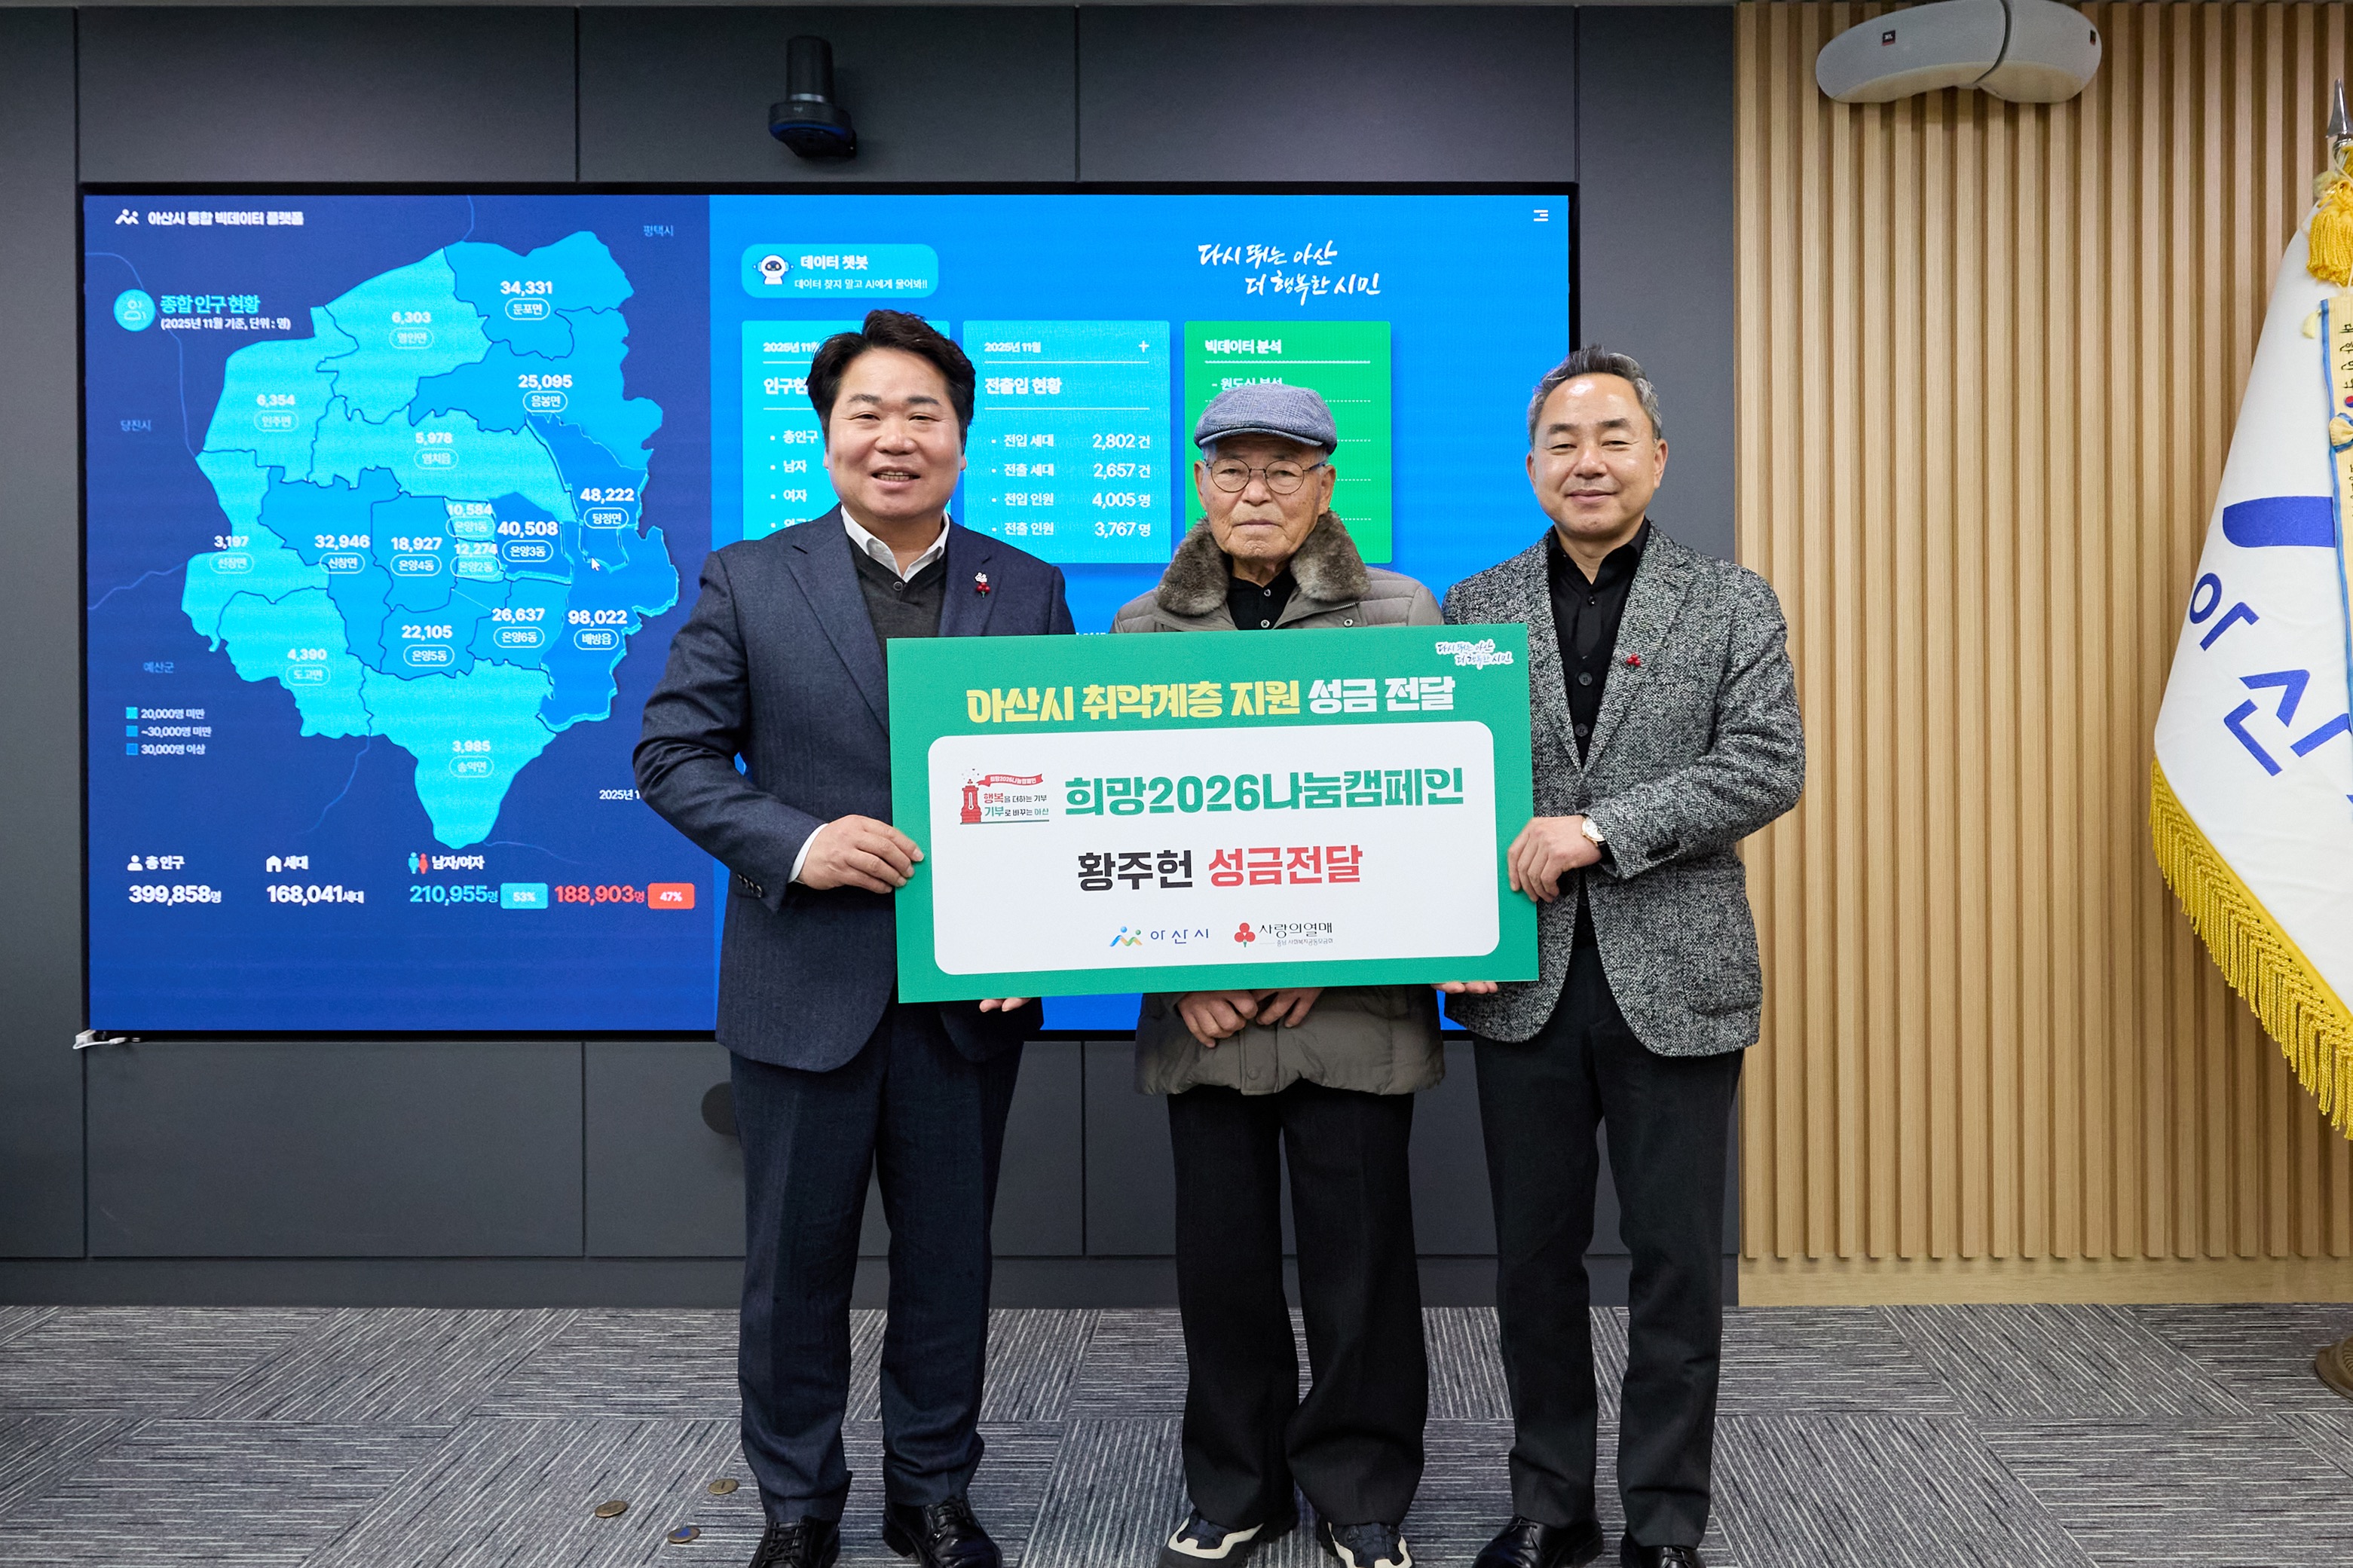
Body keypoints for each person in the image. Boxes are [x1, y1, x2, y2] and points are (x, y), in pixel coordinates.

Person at [635, 310, 1073, 1568]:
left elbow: (1063, 776)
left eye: (921, 413)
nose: (894, 437)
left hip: (965, 992)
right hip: (801, 986)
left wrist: (1037, 938)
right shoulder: (748, 577)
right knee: (793, 1269)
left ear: (962, 439)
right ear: (826, 437)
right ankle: (797, 1502)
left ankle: (931, 1489)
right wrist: (799, 842)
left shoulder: (1025, 586)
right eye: (866, 413)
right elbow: (671, 755)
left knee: (947, 1263)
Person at [1112, 383, 1489, 1568]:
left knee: (1358, 1262)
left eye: (1284, 468)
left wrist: (1327, 947)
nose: (1256, 490)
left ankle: (1360, 1488)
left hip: (1355, 1009)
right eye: (1232, 467)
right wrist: (1181, 975)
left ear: (1327, 485)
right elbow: (1110, 826)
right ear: (1199, 482)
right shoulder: (1140, 631)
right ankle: (1236, 1484)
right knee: (1220, 1264)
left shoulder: (1401, 613)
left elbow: (1430, 813)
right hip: (1205, 1017)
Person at [1442, 348, 1804, 1568]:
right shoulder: (1473, 605)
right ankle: (1549, 1504)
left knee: (1673, 1264)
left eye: (1610, 438)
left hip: (1678, 980)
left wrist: (1597, 829)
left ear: (1656, 455)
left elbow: (1765, 765)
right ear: (1529, 464)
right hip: (1521, 982)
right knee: (1533, 1262)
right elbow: (1440, 786)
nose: (1585, 461)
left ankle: (1662, 1518)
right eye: (1561, 441)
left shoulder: (1731, 601)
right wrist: (1450, 920)